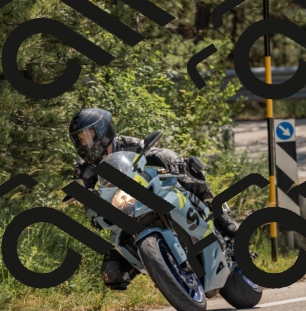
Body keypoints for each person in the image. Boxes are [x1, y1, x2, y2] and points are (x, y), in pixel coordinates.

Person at [68, 107, 241, 291]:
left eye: (88, 135)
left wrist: (173, 160)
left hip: (148, 193)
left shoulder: (124, 143)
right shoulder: (84, 169)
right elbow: (83, 194)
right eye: (80, 138)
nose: (85, 142)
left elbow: (155, 152)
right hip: (123, 210)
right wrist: (93, 214)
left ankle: (220, 216)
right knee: (112, 272)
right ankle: (162, 269)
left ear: (103, 130)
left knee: (189, 171)